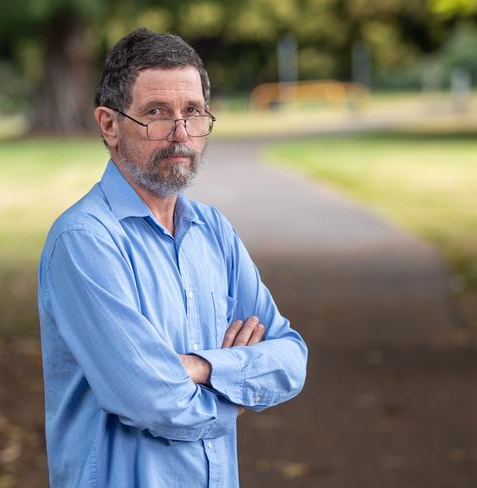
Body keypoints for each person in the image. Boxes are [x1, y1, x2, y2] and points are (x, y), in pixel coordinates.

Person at [37, 28, 308, 488]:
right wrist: (238, 392)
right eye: (156, 113)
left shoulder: (213, 232)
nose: (181, 134)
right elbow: (150, 399)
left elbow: (291, 359)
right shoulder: (84, 241)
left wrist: (202, 368)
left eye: (194, 112)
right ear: (109, 124)